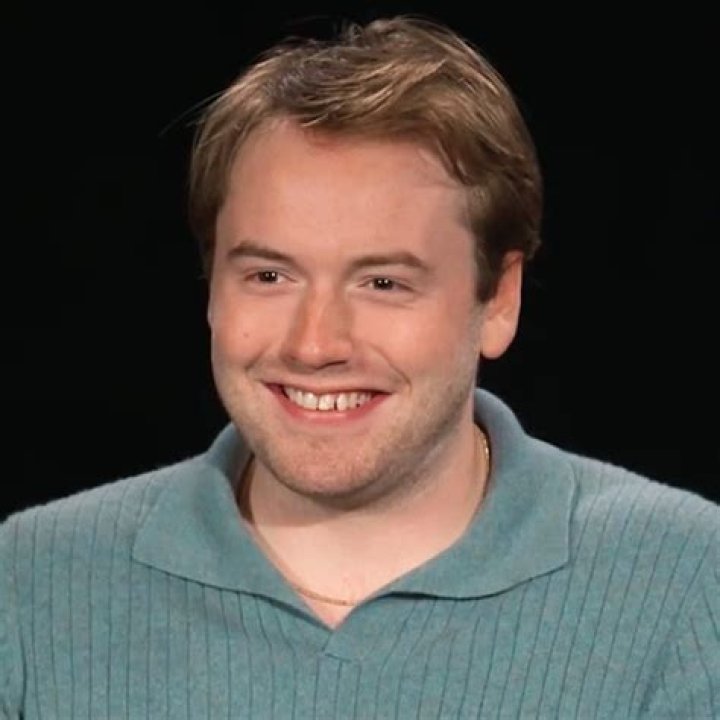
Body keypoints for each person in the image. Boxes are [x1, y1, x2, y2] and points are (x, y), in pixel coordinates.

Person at [1, 16, 718, 719]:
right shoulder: (29, 585)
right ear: (212, 287)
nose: (315, 345)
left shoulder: (686, 586)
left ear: (500, 299)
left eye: (383, 283)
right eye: (269, 276)